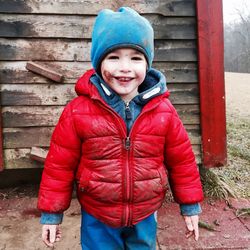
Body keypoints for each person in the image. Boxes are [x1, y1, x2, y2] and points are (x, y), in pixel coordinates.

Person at [38, 7, 204, 249]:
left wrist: (190, 206)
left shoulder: (164, 111)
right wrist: (51, 214)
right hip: (98, 213)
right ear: (98, 63)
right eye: (113, 57)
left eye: (135, 58)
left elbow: (182, 161)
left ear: (147, 64)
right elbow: (59, 165)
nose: (125, 67)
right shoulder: (77, 111)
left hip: (145, 211)